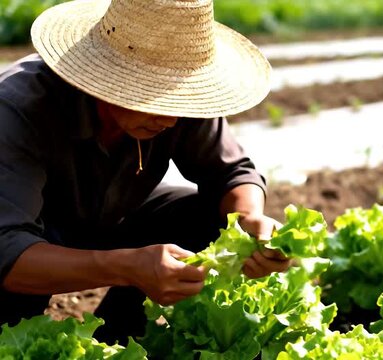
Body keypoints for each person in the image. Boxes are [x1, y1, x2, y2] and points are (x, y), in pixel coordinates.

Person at [0, 0, 290, 344]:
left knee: (208, 216)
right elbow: (7, 250)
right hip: (31, 240)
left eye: (178, 100)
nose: (170, 119)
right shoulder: (18, 108)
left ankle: (120, 338)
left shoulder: (183, 105)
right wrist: (127, 267)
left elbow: (231, 173)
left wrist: (247, 223)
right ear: (104, 74)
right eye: (153, 96)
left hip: (108, 219)